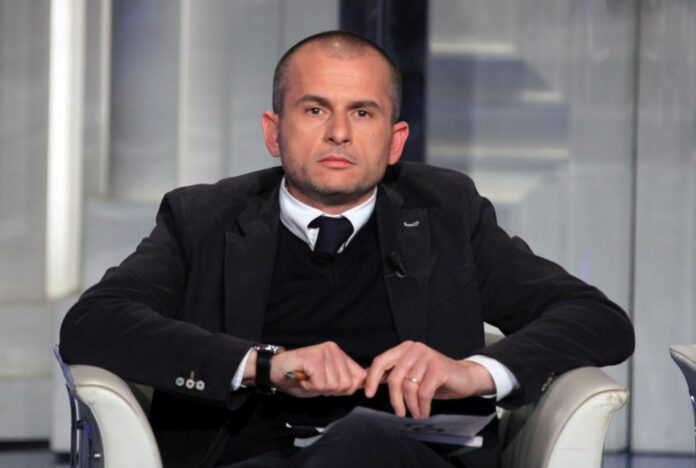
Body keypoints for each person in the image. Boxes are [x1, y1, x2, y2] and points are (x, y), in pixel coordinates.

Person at [59, 30, 634, 468]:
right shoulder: (203, 219)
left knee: (362, 439)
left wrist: (470, 373)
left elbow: (596, 319)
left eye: (362, 112)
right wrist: (264, 365)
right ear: (273, 130)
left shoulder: (447, 213)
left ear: (395, 141)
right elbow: (93, 323)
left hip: (413, 456)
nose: (339, 132)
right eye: (315, 110)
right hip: (251, 457)